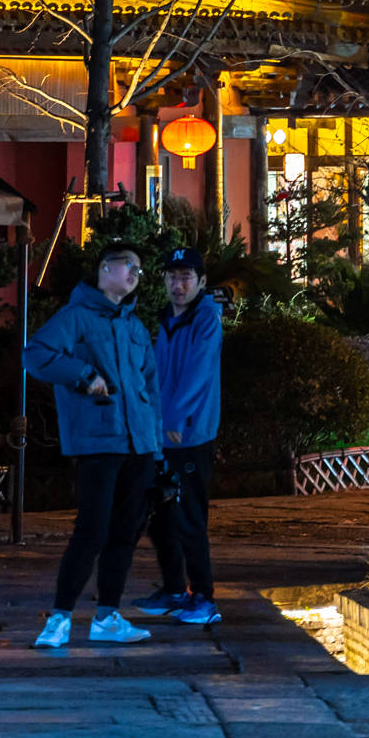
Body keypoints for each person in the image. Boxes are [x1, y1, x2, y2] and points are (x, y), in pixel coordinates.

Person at [21, 242, 162, 649]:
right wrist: (83, 374)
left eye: (139, 270)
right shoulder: (76, 317)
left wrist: (156, 447)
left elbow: (149, 387)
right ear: (105, 270)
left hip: (138, 446)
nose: (136, 275)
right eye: (129, 267)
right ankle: (60, 617)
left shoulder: (134, 326)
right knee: (92, 531)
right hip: (99, 441)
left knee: (125, 533)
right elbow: (36, 354)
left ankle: (107, 616)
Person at [134, 246, 222, 625]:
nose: (178, 284)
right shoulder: (166, 318)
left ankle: (204, 597)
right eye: (172, 277)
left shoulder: (206, 318)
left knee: (189, 516)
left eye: (186, 277)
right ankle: (174, 589)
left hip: (190, 433)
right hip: (161, 433)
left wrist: (174, 415)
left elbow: (198, 373)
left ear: (201, 282)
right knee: (161, 516)